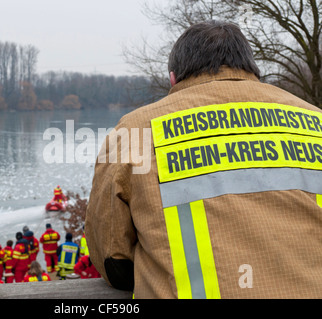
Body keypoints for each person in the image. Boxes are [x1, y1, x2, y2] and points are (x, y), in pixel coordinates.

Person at [85, 20, 322, 299]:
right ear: (251, 70)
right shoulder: (315, 121)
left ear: (174, 78)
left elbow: (113, 259)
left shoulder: (134, 131)